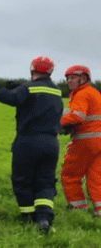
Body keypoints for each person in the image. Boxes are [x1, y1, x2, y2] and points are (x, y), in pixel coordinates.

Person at [0, 56, 63, 233]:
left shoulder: (28, 88)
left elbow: (9, 98)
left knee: (23, 180)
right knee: (45, 181)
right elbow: (38, 101)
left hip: (28, 141)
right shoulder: (57, 91)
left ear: (32, 70)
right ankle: (43, 218)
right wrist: (18, 89)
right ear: (51, 71)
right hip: (51, 143)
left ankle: (29, 217)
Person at [60, 64, 101, 217]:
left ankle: (78, 209)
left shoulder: (82, 94)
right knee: (96, 178)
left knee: (70, 175)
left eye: (73, 78)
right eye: (68, 78)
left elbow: (77, 116)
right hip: (99, 142)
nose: (69, 81)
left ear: (83, 79)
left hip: (85, 141)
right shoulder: (94, 92)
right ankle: (99, 211)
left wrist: (58, 123)